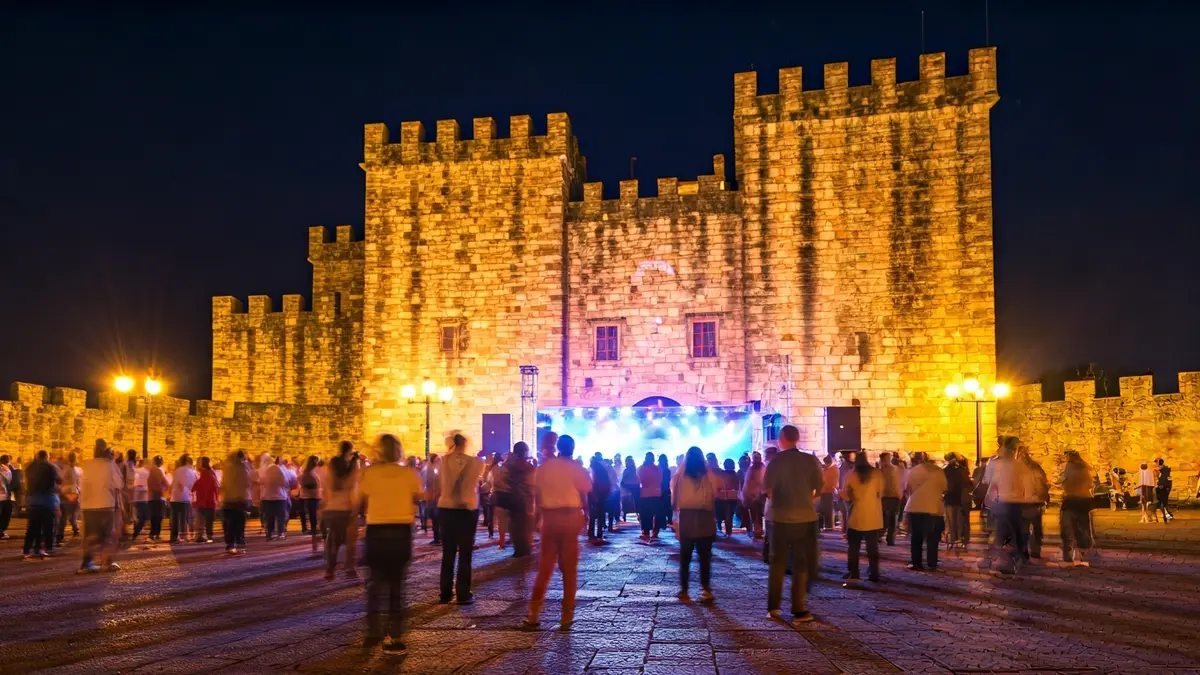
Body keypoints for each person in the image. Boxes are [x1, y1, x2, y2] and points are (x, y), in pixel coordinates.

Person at [358, 434, 422, 653]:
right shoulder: (408, 473)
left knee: (375, 585)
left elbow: (357, 499)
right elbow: (419, 495)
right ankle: (395, 636)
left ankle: (373, 631)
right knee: (397, 585)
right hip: (401, 531)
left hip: (376, 530)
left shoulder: (370, 473)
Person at [523, 433, 591, 629]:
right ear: (573, 448)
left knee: (545, 566)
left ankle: (534, 613)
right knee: (569, 569)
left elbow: (536, 493)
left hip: (550, 517)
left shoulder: (544, 468)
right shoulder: (577, 468)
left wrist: (536, 517)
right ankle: (567, 616)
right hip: (570, 516)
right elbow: (586, 488)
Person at [765, 426, 823, 623]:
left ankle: (774, 607)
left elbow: (768, 489)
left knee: (777, 563)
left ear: (781, 439)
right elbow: (818, 489)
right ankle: (799, 608)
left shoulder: (775, 462)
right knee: (801, 564)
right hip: (805, 518)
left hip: (779, 518)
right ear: (797, 438)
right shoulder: (810, 460)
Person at [438, 432, 484, 605]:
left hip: (446, 508)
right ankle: (463, 593)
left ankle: (445, 592)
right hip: (466, 509)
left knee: (448, 552)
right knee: (465, 553)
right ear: (465, 444)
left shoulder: (443, 461)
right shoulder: (477, 463)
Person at [672, 446, 719, 604]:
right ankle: (705, 589)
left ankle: (684, 590)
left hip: (686, 516)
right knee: (704, 556)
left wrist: (675, 517)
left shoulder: (680, 475)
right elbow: (715, 493)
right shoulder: (708, 475)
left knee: (685, 556)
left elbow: (674, 497)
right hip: (705, 517)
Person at [79, 441, 122, 573]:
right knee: (108, 536)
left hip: (87, 506)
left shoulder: (87, 465)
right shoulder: (109, 465)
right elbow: (119, 484)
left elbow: (83, 485)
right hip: (105, 504)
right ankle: (106, 563)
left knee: (90, 536)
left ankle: (86, 564)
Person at [842, 451, 883, 585]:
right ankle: (874, 573)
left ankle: (854, 572)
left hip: (857, 514)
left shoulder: (851, 475)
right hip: (873, 514)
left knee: (853, 547)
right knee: (872, 547)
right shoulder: (877, 474)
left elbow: (846, 494)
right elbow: (880, 492)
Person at [904, 452, 947, 571]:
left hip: (916, 506)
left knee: (917, 536)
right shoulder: (939, 471)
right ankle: (932, 562)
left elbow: (908, 487)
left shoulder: (914, 471)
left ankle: (916, 562)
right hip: (934, 507)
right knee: (933, 537)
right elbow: (944, 487)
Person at [322, 441, 358, 577]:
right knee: (350, 541)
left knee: (333, 540)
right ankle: (349, 568)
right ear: (350, 451)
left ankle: (330, 570)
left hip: (331, 508)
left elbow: (326, 488)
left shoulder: (332, 466)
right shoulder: (351, 467)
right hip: (346, 508)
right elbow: (352, 488)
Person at [1059, 450, 1095, 567]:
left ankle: (1068, 556)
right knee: (1082, 527)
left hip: (1071, 500)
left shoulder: (1068, 467)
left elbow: (1063, 482)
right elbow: (1090, 484)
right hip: (1084, 500)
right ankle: (1081, 552)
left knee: (1068, 528)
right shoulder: (1085, 468)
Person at [23, 450, 61, 560]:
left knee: (33, 526)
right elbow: (58, 480)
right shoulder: (51, 467)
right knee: (47, 526)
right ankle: (45, 548)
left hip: (33, 500)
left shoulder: (29, 467)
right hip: (47, 500)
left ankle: (29, 549)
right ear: (46, 456)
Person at [506, 441, 535, 558]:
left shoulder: (509, 465)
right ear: (525, 452)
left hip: (512, 497)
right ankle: (525, 548)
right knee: (526, 525)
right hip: (525, 499)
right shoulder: (529, 467)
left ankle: (518, 548)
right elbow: (533, 484)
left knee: (514, 524)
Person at [221, 450, 251, 554]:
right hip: (240, 499)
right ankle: (240, 544)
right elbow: (247, 482)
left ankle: (230, 545)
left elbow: (223, 484)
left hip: (229, 499)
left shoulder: (227, 468)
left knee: (229, 524)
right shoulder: (244, 467)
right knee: (240, 523)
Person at [262, 455, 296, 540]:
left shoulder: (268, 469)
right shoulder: (281, 470)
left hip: (267, 497)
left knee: (269, 516)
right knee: (281, 516)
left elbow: (262, 481)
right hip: (280, 496)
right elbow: (285, 482)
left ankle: (269, 533)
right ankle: (280, 533)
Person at [169, 455, 198, 545]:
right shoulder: (190, 471)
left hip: (175, 497)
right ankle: (183, 536)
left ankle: (174, 537)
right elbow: (192, 484)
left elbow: (173, 484)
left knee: (175, 518)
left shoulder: (178, 470)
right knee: (184, 518)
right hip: (185, 497)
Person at [191, 457, 219, 543]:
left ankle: (199, 535)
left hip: (202, 502)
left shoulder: (200, 478)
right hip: (210, 502)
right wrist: (217, 499)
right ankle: (209, 536)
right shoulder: (212, 476)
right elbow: (216, 488)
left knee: (200, 520)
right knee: (209, 521)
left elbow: (192, 489)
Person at [637, 451, 664, 541]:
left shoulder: (642, 468)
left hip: (645, 493)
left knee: (645, 514)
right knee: (656, 513)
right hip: (656, 493)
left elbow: (640, 480)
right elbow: (660, 480)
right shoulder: (658, 469)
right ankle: (655, 531)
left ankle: (646, 532)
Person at [58, 451, 83, 542]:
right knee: (70, 514)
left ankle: (64, 532)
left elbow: (61, 481)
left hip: (70, 493)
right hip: (71, 493)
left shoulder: (73, 470)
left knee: (68, 514)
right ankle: (72, 530)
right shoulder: (73, 470)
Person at [943, 454, 966, 553]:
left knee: (952, 521)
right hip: (958, 499)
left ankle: (953, 540)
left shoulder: (946, 471)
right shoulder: (961, 470)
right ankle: (957, 539)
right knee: (958, 521)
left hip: (951, 499)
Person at [299, 455, 322, 552]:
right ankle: (314, 542)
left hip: (315, 497)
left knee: (315, 519)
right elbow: (306, 485)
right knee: (313, 519)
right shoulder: (306, 474)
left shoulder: (311, 472)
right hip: (311, 498)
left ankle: (315, 540)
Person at [878, 452, 902, 546]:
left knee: (884, 518)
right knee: (892, 520)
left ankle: (879, 535)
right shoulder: (893, 469)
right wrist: (899, 495)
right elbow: (897, 483)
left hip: (884, 497)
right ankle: (890, 539)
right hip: (893, 496)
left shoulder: (879, 470)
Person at [741, 451, 766, 539]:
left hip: (760, 494)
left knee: (758, 513)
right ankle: (757, 530)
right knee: (756, 513)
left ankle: (758, 530)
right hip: (756, 495)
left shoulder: (761, 467)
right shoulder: (754, 468)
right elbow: (748, 482)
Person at [588, 453, 611, 543]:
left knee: (593, 515)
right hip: (600, 493)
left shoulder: (593, 467)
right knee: (600, 514)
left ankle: (591, 533)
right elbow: (606, 481)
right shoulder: (602, 468)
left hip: (593, 493)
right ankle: (599, 533)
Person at [492, 452, 512, 549]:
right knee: (504, 520)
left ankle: (502, 540)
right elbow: (497, 482)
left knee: (502, 521)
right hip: (504, 496)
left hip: (501, 496)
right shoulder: (502, 468)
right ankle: (503, 540)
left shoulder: (499, 468)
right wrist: (510, 488)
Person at [147, 455, 168, 541]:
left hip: (153, 496)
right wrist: (163, 490)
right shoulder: (159, 471)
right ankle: (156, 533)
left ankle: (153, 533)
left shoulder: (151, 470)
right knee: (158, 516)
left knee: (154, 516)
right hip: (159, 496)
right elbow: (166, 483)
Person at [717, 458, 739, 537]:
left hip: (727, 498)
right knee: (728, 516)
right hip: (729, 498)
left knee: (726, 516)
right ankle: (727, 532)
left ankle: (726, 532)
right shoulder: (734, 475)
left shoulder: (724, 474)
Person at [422, 454, 441, 543]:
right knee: (434, 518)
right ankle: (437, 537)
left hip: (439, 498)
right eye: (437, 459)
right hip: (433, 498)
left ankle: (439, 537)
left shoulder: (440, 469)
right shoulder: (429, 469)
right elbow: (427, 482)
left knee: (438, 519)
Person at [817, 454, 838, 532]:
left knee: (828, 512)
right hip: (822, 493)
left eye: (826, 464)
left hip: (828, 493)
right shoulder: (825, 468)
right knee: (821, 511)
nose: (824, 465)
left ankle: (829, 528)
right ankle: (821, 528)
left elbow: (833, 483)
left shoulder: (834, 469)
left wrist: (824, 487)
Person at [620, 456, 639, 523]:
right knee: (635, 503)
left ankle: (626, 515)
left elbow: (623, 481)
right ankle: (638, 515)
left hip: (629, 488)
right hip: (634, 487)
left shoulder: (627, 471)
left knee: (627, 503)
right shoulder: (634, 470)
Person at [1155, 458, 1175, 522]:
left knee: (1162, 501)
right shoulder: (1167, 469)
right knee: (1164, 501)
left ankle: (1166, 515)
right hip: (1167, 486)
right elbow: (1169, 478)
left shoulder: (1160, 470)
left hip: (1162, 486)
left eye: (1157, 462)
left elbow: (1160, 478)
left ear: (1158, 463)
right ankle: (1168, 514)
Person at [658, 454, 674, 529]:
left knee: (661, 507)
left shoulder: (659, 469)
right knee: (667, 506)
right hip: (666, 489)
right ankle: (669, 520)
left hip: (660, 489)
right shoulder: (667, 470)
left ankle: (663, 523)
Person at [0, 454, 12, 540]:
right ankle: (1, 532)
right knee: (5, 515)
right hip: (3, 496)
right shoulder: (6, 470)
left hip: (3, 496)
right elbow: (9, 481)